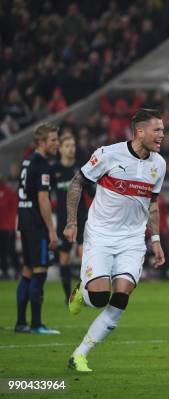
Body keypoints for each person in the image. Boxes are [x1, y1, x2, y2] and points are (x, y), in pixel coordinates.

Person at [64, 109, 166, 372]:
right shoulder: (108, 154)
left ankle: (80, 354)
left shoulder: (159, 164)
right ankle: (81, 293)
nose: (162, 135)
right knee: (99, 298)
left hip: (132, 239)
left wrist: (155, 239)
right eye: (157, 130)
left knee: (121, 296)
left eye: (163, 130)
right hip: (100, 235)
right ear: (140, 132)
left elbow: (152, 203)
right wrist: (72, 222)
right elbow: (77, 183)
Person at [15, 124, 60, 334]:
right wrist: (51, 230)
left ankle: (21, 323)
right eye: (53, 140)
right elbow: (43, 199)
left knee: (27, 270)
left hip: (24, 220)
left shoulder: (27, 161)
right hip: (36, 224)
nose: (56, 144)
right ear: (42, 142)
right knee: (40, 270)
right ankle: (36, 324)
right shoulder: (42, 165)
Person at [52, 133, 92, 303]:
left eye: (73, 146)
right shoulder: (54, 171)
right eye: (67, 146)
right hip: (63, 220)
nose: (71, 149)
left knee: (84, 254)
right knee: (64, 258)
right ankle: (68, 296)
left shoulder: (80, 170)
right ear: (60, 149)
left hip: (81, 218)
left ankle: (83, 292)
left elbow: (91, 192)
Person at [0, 175, 19, 279]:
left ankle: (17, 269)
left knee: (10, 250)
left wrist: (11, 224)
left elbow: (14, 207)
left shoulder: (8, 191)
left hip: (7, 227)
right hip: (2, 227)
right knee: (2, 251)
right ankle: (4, 271)